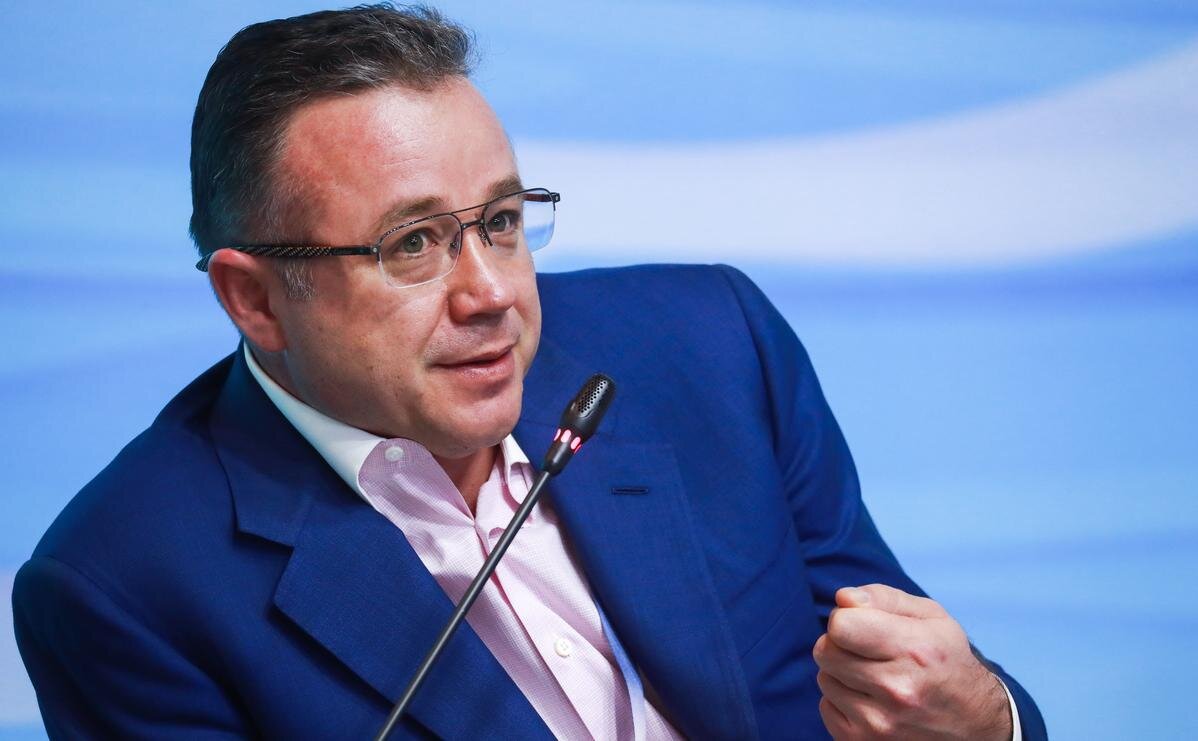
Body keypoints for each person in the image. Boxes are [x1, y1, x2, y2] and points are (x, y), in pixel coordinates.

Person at [13, 5, 1046, 739]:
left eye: (502, 222)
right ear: (254, 299)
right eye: (413, 244)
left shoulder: (709, 348)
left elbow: (910, 689)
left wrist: (984, 721)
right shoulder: (124, 586)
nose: (491, 293)